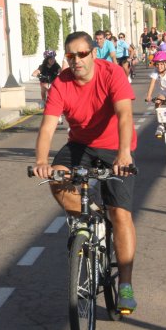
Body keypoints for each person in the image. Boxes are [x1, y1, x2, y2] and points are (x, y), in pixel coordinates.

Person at [32, 31, 138, 314]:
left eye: (82, 54)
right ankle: (87, 215)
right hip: (80, 145)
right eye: (70, 56)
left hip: (115, 145)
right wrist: (42, 160)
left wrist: (124, 153)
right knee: (56, 177)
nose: (76, 60)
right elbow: (48, 126)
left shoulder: (111, 73)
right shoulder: (61, 83)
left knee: (120, 214)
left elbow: (125, 114)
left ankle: (125, 284)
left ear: (93, 53)